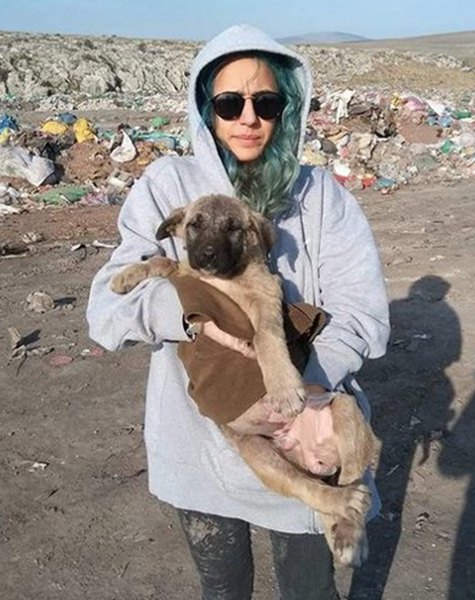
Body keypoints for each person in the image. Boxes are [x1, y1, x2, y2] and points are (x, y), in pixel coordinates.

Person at [86, 24, 389, 599]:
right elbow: (106, 309)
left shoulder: (321, 196)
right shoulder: (168, 185)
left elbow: (365, 315)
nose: (248, 118)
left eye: (266, 102)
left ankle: (337, 509)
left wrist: (303, 401)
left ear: (287, 108)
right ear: (206, 108)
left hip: (310, 432)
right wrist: (191, 316)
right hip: (202, 441)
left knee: (308, 591)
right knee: (223, 589)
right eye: (229, 102)